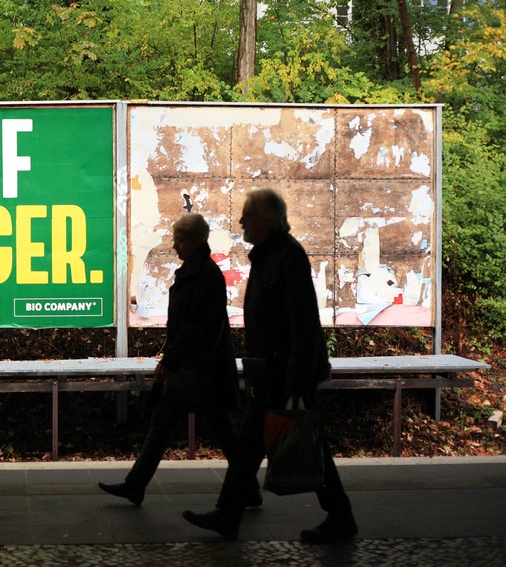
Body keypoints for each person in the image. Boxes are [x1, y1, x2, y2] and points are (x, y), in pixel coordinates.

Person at [182, 189, 357, 542]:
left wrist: (297, 381)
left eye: (248, 215)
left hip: (285, 374)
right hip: (270, 371)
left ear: (268, 218)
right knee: (250, 447)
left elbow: (303, 323)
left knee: (306, 444)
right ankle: (229, 513)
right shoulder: (268, 255)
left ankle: (340, 517)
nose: (242, 221)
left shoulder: (288, 256)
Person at [98, 213, 260, 506]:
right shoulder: (196, 272)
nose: (175, 246)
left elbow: (196, 327)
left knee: (218, 431)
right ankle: (136, 484)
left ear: (198, 240)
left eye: (180, 240)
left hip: (200, 370)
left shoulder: (205, 275)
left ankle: (248, 490)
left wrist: (169, 361)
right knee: (167, 425)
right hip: (193, 367)